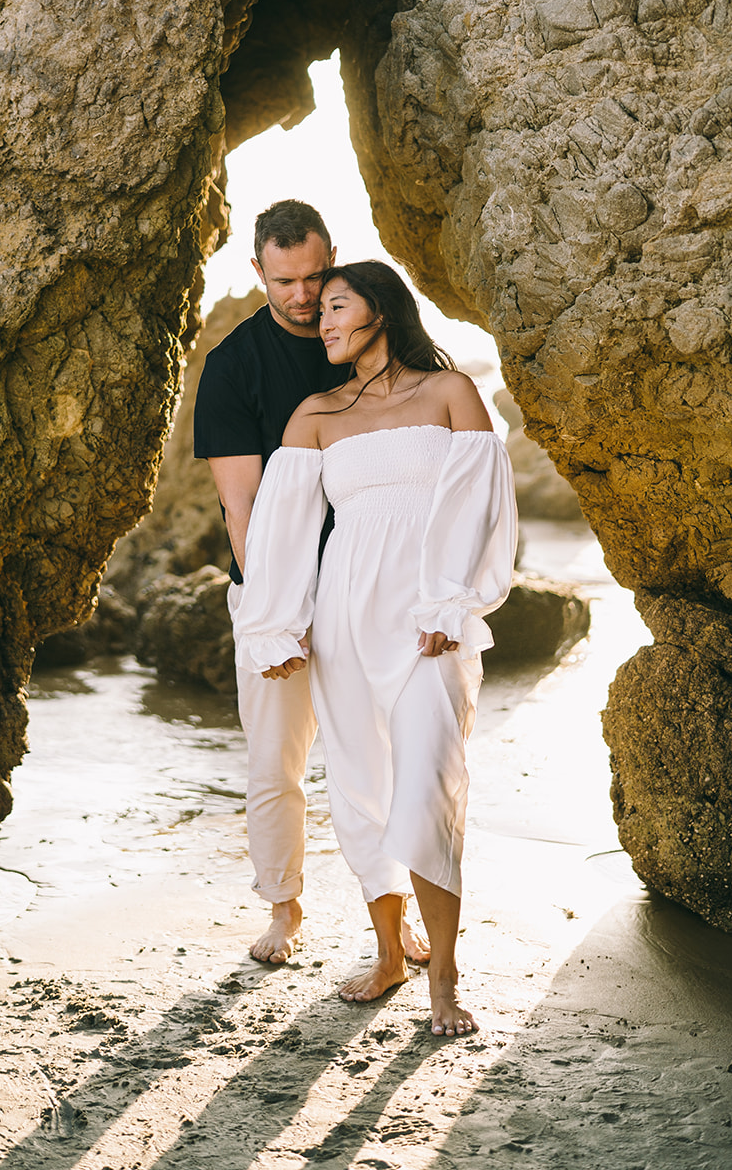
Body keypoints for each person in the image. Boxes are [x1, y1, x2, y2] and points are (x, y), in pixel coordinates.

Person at [232, 261, 517, 1035]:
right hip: (346, 620)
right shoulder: (315, 415)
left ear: (380, 311)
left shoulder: (451, 392)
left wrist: (449, 602)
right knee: (361, 787)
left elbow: (483, 510)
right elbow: (281, 530)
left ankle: (445, 979)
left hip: (430, 625)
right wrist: (277, 627)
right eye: (318, 311)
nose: (320, 323)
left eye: (334, 307)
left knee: (430, 784)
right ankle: (390, 954)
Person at [194, 203, 430, 968]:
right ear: (256, 272)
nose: (302, 298)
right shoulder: (234, 364)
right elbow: (242, 505)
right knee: (276, 762)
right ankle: (283, 907)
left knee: (386, 758)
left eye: (314, 277)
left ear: (336, 259)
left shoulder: (361, 345)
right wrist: (275, 613)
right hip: (276, 594)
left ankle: (395, 922)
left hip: (372, 590)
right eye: (283, 280)